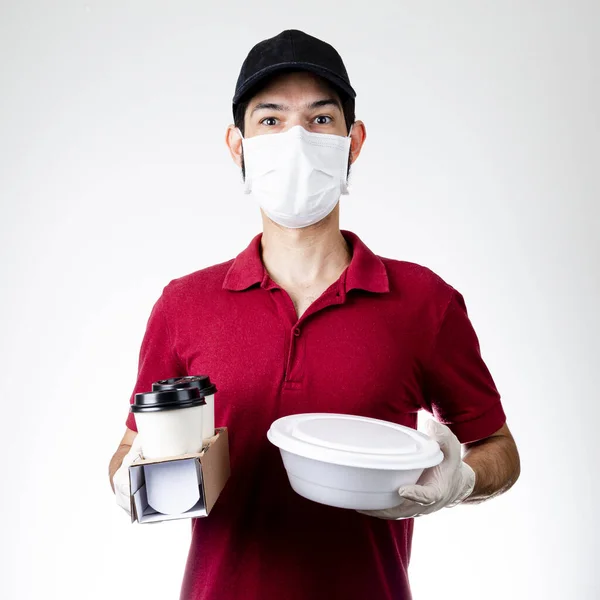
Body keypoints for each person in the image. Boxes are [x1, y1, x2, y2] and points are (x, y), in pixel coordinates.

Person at [109, 29, 520, 600]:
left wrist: (464, 480)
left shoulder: (425, 302)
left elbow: (498, 446)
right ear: (238, 146)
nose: (296, 140)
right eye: (271, 121)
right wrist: (147, 482)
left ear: (353, 142)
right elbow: (128, 455)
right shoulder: (183, 305)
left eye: (320, 120)